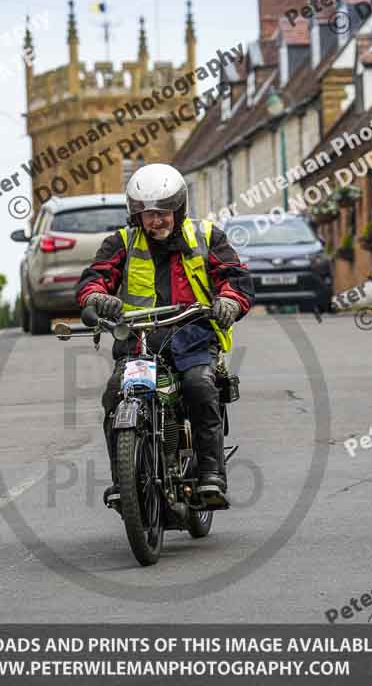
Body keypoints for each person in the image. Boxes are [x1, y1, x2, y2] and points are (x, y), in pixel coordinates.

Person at [76, 163, 254, 509]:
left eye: (163, 212)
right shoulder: (121, 242)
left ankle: (210, 475)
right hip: (140, 341)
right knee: (115, 394)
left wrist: (230, 302)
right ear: (136, 215)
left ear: (178, 209)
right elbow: (94, 278)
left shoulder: (206, 236)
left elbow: (235, 277)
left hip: (193, 337)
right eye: (147, 214)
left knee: (201, 387)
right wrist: (97, 297)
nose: (156, 220)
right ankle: (122, 482)